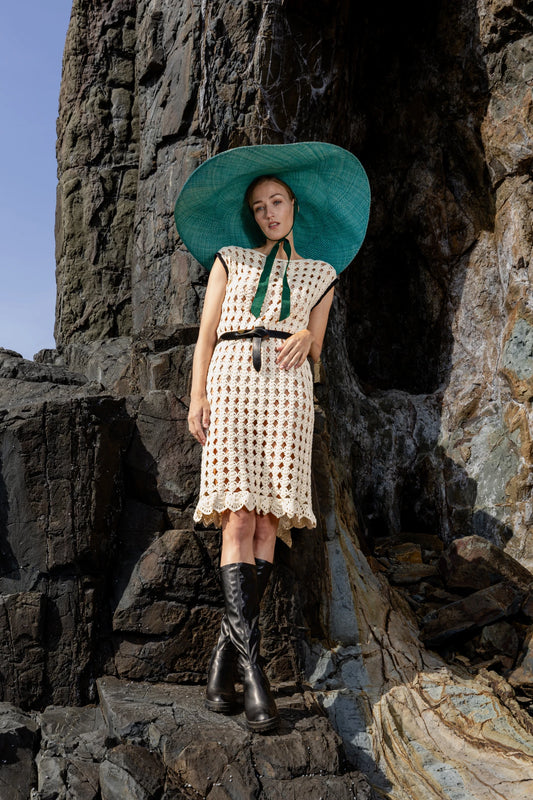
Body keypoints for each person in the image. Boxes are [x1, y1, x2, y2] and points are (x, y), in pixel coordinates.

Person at [174, 142, 370, 733]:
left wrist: (308, 339)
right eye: (259, 207)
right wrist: (197, 396)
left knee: (266, 524)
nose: (268, 213)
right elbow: (206, 336)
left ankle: (224, 665)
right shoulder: (229, 259)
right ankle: (253, 671)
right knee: (237, 517)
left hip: (288, 396)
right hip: (232, 382)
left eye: (276, 202)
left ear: (294, 206)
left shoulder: (323, 275)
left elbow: (318, 350)